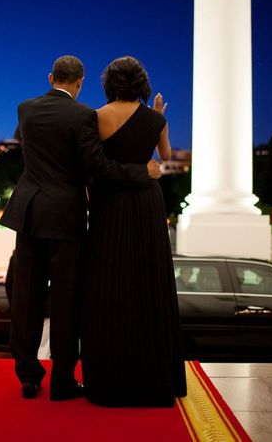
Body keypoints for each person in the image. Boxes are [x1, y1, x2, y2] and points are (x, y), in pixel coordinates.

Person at [0, 55, 162, 401]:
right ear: (80, 81)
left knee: (26, 297)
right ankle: (62, 381)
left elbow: (31, 150)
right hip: (65, 217)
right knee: (65, 301)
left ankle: (28, 376)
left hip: (28, 212)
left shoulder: (25, 109)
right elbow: (97, 165)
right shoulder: (84, 115)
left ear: (50, 77)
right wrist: (140, 172)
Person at [80, 56, 187, 407]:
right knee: (149, 282)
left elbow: (94, 167)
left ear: (109, 82)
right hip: (145, 204)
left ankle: (110, 379)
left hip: (110, 205)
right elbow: (165, 156)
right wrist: (158, 115)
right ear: (142, 82)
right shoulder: (156, 118)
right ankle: (152, 380)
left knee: (109, 284)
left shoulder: (97, 117)